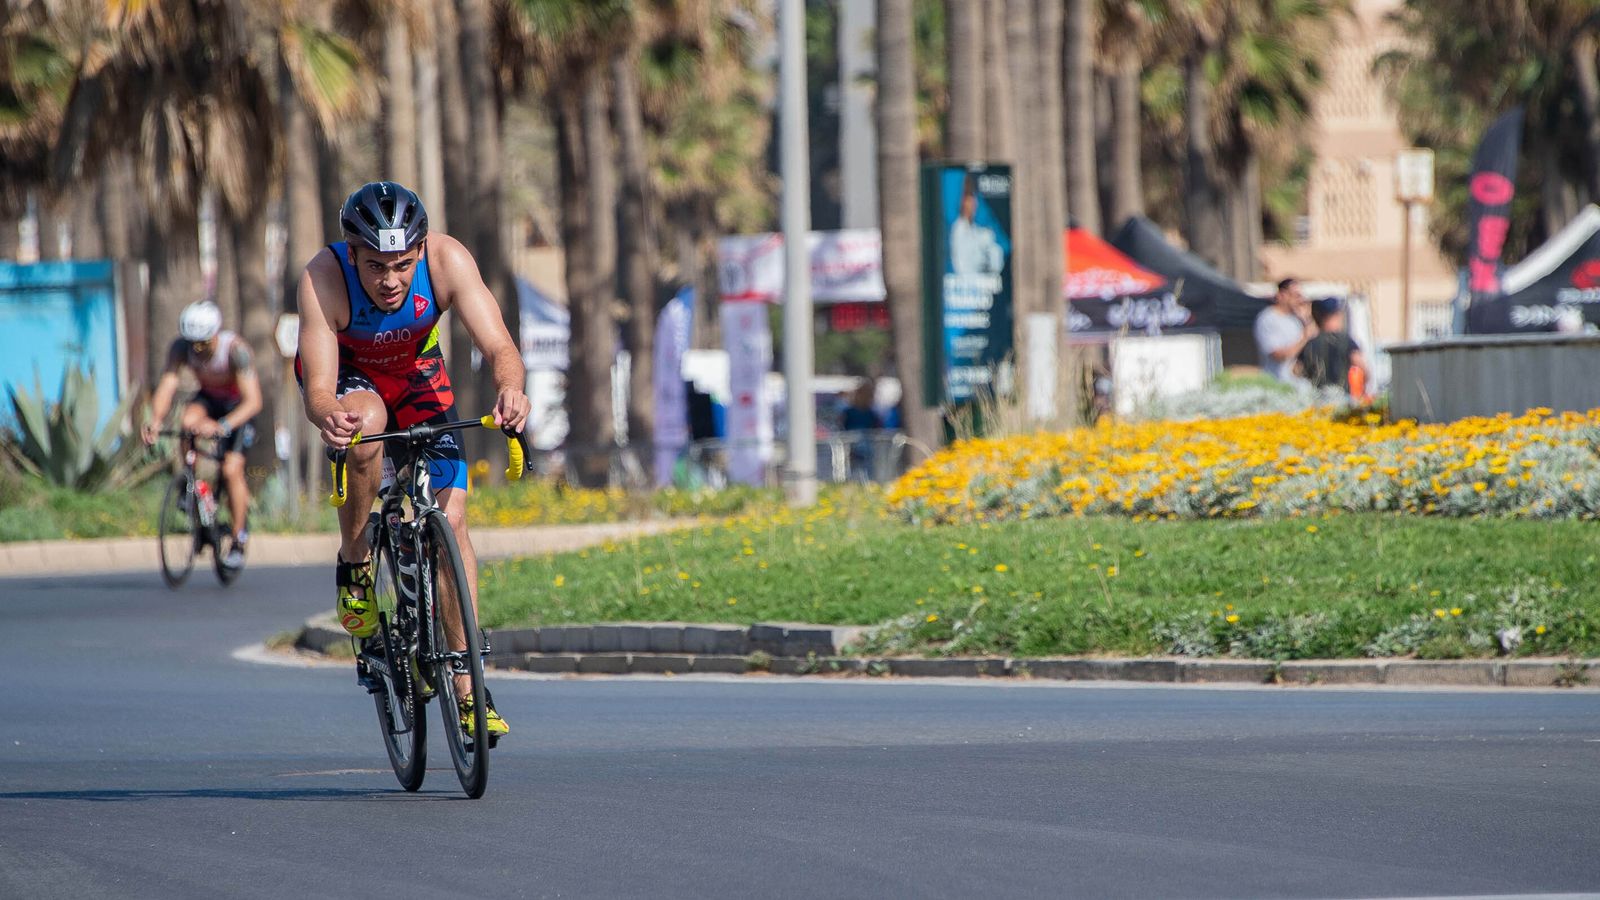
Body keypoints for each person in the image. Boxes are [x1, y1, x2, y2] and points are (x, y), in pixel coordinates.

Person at [294, 181, 529, 739]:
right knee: (368, 428)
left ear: (420, 251)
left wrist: (511, 391)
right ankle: (355, 562)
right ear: (352, 254)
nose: (391, 281)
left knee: (452, 522)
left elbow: (499, 347)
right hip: (350, 378)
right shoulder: (323, 277)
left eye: (402, 264)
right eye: (375, 266)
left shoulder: (448, 259)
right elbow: (319, 386)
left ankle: (470, 691)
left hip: (417, 376)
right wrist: (329, 414)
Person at [142, 300, 262, 568]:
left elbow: (253, 401)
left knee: (232, 470)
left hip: (237, 408)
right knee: (186, 421)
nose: (198, 350)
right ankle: (191, 483)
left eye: (204, 344)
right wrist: (156, 421)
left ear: (216, 334)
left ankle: (239, 538)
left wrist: (223, 426)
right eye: (192, 343)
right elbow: (168, 383)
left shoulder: (236, 350)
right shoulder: (181, 348)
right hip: (208, 398)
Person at [1298, 297, 1370, 396]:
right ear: (1334, 316)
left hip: (1318, 398)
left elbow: (1297, 370)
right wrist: (1364, 388)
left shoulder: (1311, 343)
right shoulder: (1345, 340)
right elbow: (1360, 364)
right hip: (1343, 397)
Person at [1254, 277, 1316, 382]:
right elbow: (1278, 355)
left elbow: (1316, 339)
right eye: (1296, 295)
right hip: (1278, 384)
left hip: (1300, 385)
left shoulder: (1297, 319)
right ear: (1282, 295)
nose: (1299, 300)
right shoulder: (1267, 319)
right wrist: (1304, 337)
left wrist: (1307, 319)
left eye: (1300, 296)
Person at [949, 175, 1003, 276]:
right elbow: (963, 267)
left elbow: (996, 263)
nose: (974, 203)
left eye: (975, 198)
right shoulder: (959, 229)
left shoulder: (979, 231)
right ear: (963, 201)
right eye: (970, 198)